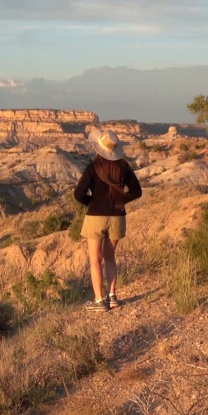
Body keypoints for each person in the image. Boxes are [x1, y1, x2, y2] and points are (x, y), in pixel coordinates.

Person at [73, 126, 142, 312]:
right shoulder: (124, 168)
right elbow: (137, 191)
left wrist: (91, 202)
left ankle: (98, 301)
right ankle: (112, 297)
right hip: (117, 217)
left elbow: (78, 194)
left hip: (96, 216)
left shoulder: (93, 168)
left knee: (95, 259)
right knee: (110, 258)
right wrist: (121, 199)